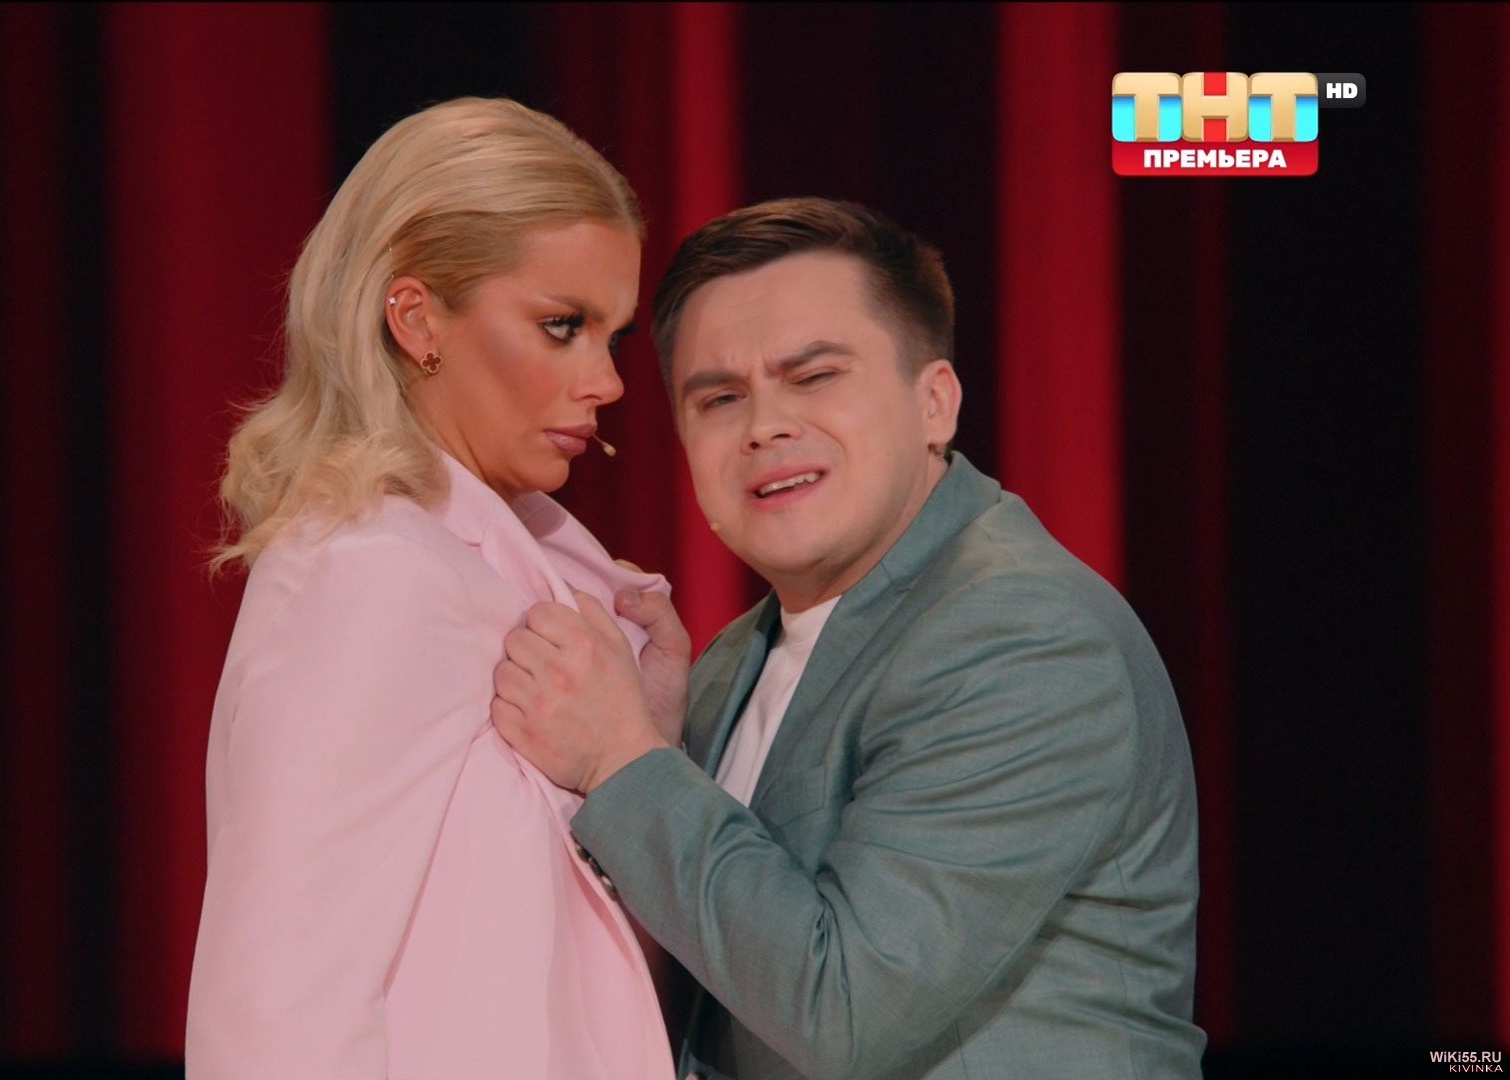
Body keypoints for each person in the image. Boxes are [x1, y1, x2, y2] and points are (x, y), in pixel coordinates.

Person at [492, 198, 1206, 1079]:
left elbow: (847, 1010)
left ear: (935, 403)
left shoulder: (1023, 633)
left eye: (815, 376)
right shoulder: (731, 661)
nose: (764, 426)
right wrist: (665, 741)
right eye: (720, 398)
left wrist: (624, 760)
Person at [184, 98, 674, 1079]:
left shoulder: (518, 557)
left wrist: (648, 735)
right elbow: (278, 998)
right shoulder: (370, 570)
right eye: (562, 326)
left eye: (611, 337)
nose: (608, 383)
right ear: (415, 319)